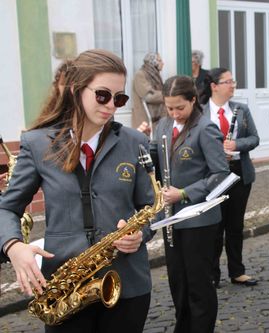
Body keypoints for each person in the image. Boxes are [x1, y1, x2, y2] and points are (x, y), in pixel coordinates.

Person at [0, 49, 155, 332]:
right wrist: (13, 247)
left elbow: (151, 209)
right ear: (76, 89)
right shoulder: (36, 143)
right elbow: (6, 207)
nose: (111, 105)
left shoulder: (134, 142)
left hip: (128, 285)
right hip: (64, 289)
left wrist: (140, 234)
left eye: (119, 98)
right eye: (102, 95)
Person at [154, 75, 229, 333]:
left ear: (193, 100)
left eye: (180, 107)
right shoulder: (163, 125)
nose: (174, 113)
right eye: (169, 107)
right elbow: (156, 162)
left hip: (199, 219)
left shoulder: (205, 128)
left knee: (199, 284)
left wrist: (184, 193)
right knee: (178, 281)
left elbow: (220, 174)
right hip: (170, 218)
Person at [201, 68, 260, 288]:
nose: (233, 85)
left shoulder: (241, 109)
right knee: (215, 226)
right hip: (214, 176)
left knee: (235, 226)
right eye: (227, 82)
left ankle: (237, 271)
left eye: (233, 81)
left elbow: (254, 138)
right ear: (214, 86)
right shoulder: (201, 112)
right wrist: (216, 152)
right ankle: (212, 273)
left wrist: (236, 145)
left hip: (239, 173)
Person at [131, 52, 165, 132]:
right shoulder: (141, 75)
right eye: (160, 61)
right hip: (146, 120)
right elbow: (148, 96)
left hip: (157, 119)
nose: (163, 63)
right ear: (153, 62)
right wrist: (167, 95)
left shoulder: (155, 75)